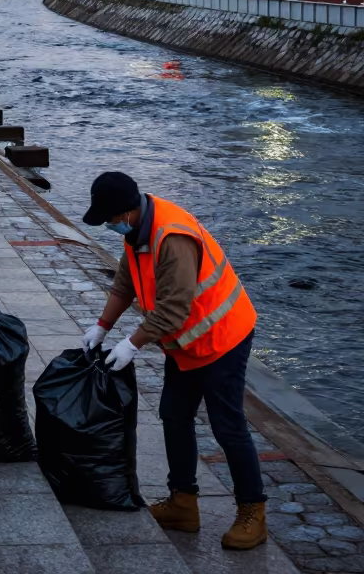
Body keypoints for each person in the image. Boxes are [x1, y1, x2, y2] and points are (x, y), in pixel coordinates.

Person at [80, 172, 265, 551]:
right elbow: (125, 283)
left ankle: (253, 512)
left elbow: (173, 310)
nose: (111, 226)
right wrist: (101, 326)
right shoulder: (137, 231)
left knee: (228, 427)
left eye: (111, 219)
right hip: (186, 343)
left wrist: (131, 344)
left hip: (222, 338)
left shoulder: (172, 237)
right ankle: (183, 503)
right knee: (173, 415)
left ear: (126, 212)